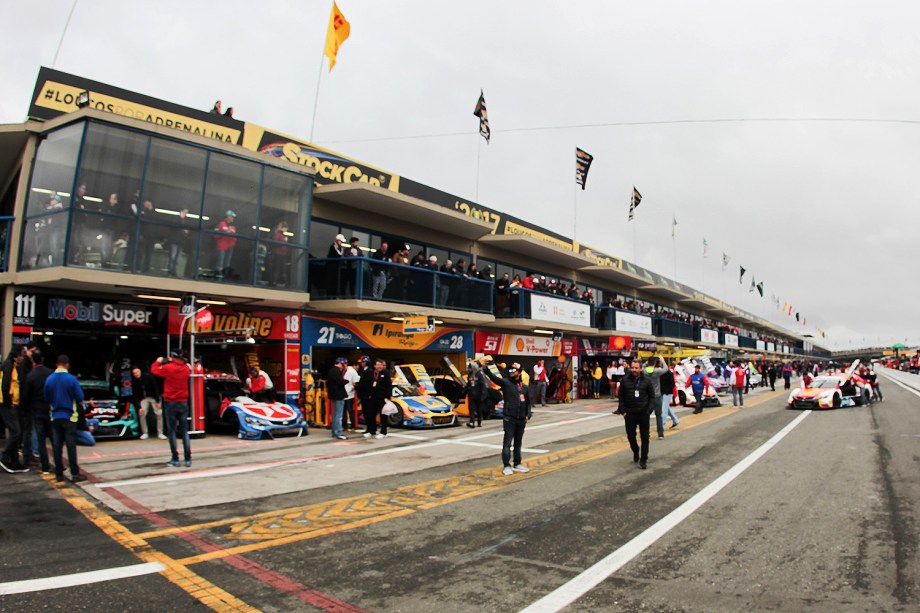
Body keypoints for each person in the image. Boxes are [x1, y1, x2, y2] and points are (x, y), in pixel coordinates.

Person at [481, 358, 531, 475]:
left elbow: (528, 403)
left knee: (518, 444)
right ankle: (506, 465)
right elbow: (494, 378)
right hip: (509, 419)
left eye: (514, 370)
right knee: (507, 443)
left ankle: (517, 464)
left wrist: (528, 415)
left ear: (519, 372)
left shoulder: (524, 387)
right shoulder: (506, 383)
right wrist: (485, 369)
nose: (512, 372)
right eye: (510, 370)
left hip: (521, 420)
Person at [43, 354, 86, 482]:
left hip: (55, 416)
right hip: (70, 416)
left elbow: (46, 398)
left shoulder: (49, 379)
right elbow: (79, 397)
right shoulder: (72, 379)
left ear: (57, 364)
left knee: (57, 446)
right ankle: (75, 473)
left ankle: (59, 474)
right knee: (71, 446)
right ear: (67, 365)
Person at [151, 352, 192, 468]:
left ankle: (175, 459)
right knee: (185, 431)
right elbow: (187, 366)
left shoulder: (168, 368)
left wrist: (159, 360)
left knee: (172, 431)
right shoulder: (186, 368)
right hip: (183, 401)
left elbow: (154, 370)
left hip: (170, 402)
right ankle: (188, 459)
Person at [615, 360, 656, 469]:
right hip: (630, 413)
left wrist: (649, 410)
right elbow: (621, 397)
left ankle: (643, 459)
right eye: (632, 368)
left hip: (643, 413)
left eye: (636, 368)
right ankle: (635, 450)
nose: (634, 370)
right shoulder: (624, 381)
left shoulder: (647, 381)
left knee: (645, 437)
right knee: (631, 436)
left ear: (640, 369)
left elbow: (652, 397)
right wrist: (623, 411)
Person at [20, 350, 53, 474]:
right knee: (55, 438)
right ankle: (59, 464)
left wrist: (24, 409)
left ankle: (45, 466)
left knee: (40, 438)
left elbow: (25, 395)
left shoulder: (31, 375)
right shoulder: (50, 373)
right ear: (43, 359)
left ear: (33, 360)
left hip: (36, 409)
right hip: (49, 408)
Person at [0, 346, 27, 473]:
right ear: (17, 355)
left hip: (11, 403)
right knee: (16, 432)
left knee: (15, 431)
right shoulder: (9, 365)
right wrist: (8, 402)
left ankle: (14, 461)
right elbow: (5, 385)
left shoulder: (13, 365)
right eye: (22, 355)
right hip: (6, 404)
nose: (22, 358)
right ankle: (5, 458)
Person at [356, 358, 393, 439]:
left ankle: (383, 432)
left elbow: (389, 386)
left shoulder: (386, 373)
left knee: (383, 415)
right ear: (374, 365)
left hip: (382, 398)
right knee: (371, 415)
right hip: (372, 398)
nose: (380, 366)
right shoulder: (370, 373)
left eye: (381, 365)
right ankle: (371, 431)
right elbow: (365, 384)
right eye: (378, 365)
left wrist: (388, 397)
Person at [132, 366, 164, 440]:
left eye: (137, 372)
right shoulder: (134, 381)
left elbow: (155, 388)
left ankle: (160, 432)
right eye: (134, 373)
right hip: (143, 398)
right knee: (142, 413)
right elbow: (135, 394)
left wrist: (158, 401)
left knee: (159, 413)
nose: (136, 374)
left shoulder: (148, 377)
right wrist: (139, 407)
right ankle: (145, 433)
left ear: (140, 371)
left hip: (153, 397)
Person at [644, 356, 669, 440]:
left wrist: (647, 362)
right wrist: (663, 360)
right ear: (655, 363)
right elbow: (666, 368)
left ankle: (646, 434)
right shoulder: (657, 371)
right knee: (658, 415)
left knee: (646, 416)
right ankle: (660, 434)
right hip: (657, 396)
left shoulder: (644, 371)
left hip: (647, 397)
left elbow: (643, 366)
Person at [167, 208, 194, 278]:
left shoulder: (185, 221)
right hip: (174, 241)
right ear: (181, 211)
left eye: (187, 212)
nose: (186, 214)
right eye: (185, 212)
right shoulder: (175, 219)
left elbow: (188, 229)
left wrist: (186, 232)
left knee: (177, 258)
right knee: (173, 257)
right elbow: (174, 227)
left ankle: (174, 271)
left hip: (181, 242)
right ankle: (170, 271)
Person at [326, 358, 349, 440]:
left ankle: (334, 431)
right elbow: (340, 382)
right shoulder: (336, 371)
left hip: (333, 395)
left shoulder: (331, 370)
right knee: (338, 415)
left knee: (335, 414)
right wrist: (346, 381)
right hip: (338, 395)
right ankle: (338, 432)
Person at [465, 361, 489, 428]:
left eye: (470, 368)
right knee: (471, 409)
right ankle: (472, 422)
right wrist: (466, 388)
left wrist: (483, 394)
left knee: (479, 409)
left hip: (479, 395)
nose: (469, 369)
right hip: (471, 395)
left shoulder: (479, 374)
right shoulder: (469, 374)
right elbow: (469, 384)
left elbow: (483, 385)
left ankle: (479, 422)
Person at [214, 210, 237, 279]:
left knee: (227, 264)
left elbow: (234, 237)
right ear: (228, 217)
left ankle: (224, 276)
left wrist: (228, 231)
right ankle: (218, 276)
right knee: (220, 262)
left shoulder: (233, 227)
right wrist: (227, 231)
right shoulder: (221, 223)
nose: (233, 218)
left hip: (229, 248)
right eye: (232, 217)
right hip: (222, 246)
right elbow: (216, 234)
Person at [268, 220, 290, 287]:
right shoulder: (277, 234)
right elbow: (275, 243)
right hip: (277, 254)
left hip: (282, 254)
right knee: (276, 268)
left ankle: (279, 282)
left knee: (281, 269)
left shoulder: (282, 235)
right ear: (282, 227)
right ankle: (273, 282)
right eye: (285, 228)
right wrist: (284, 242)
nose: (286, 230)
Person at [342, 359, 361, 433]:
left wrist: (352, 388)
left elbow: (356, 381)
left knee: (348, 411)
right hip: (345, 393)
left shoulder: (350, 371)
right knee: (346, 411)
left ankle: (349, 426)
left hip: (348, 394)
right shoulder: (346, 371)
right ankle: (347, 426)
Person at [660, 361, 679, 430]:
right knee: (666, 408)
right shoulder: (661, 373)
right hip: (663, 393)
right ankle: (675, 420)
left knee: (664, 408)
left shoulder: (669, 373)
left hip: (667, 393)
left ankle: (662, 424)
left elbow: (672, 384)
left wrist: (667, 391)